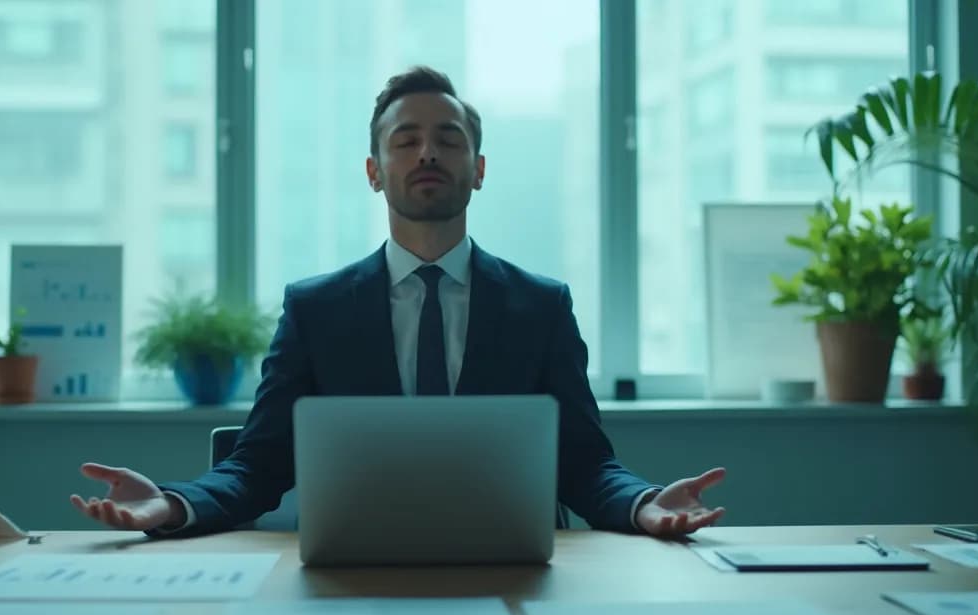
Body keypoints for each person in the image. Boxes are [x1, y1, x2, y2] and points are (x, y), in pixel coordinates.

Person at [69, 66, 726, 539]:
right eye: (405, 140)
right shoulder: (315, 310)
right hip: (354, 572)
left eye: (449, 138)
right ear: (374, 170)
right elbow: (259, 464)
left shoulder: (542, 307)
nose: (429, 152)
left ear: (480, 168)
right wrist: (173, 503)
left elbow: (584, 464)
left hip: (509, 565)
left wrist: (643, 505)